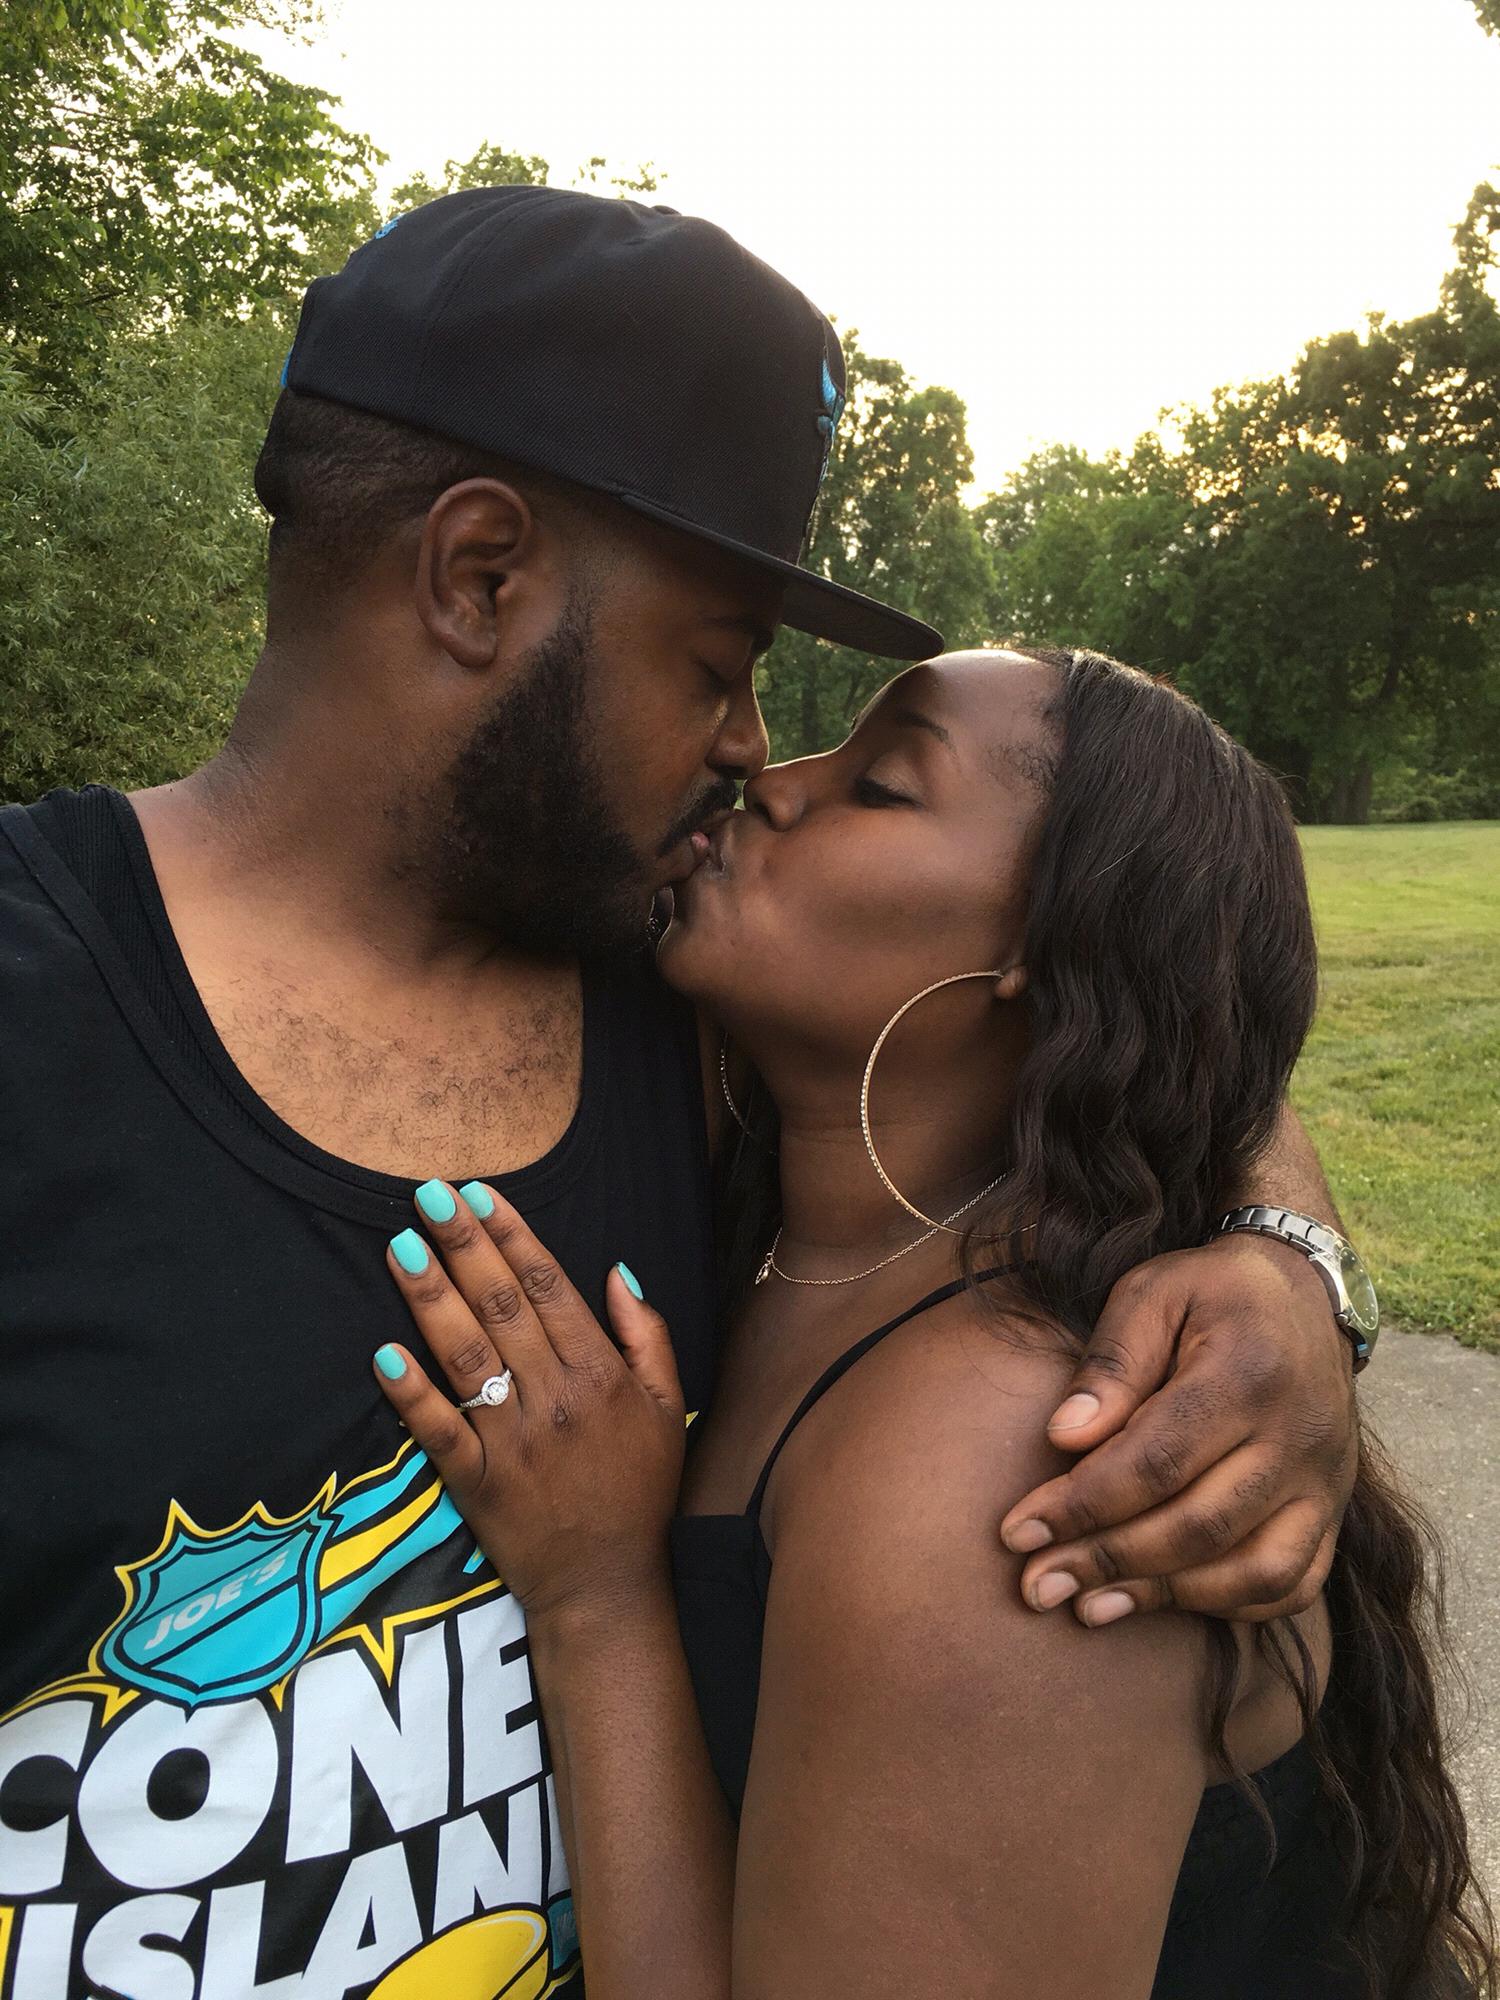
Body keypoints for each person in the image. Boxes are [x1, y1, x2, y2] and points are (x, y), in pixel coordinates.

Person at [0, 187, 1361, 2000]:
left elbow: (1119, 1022)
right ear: (479, 577)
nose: (751, 747)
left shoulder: (686, 996)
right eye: (717, 665)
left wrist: (1281, 1270)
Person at [372, 647, 1495, 2000]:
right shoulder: (795, 1213)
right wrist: (1294, 1251)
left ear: (1039, 947)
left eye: (882, 784)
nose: (770, 779)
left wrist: (595, 1600)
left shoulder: (1020, 1470)